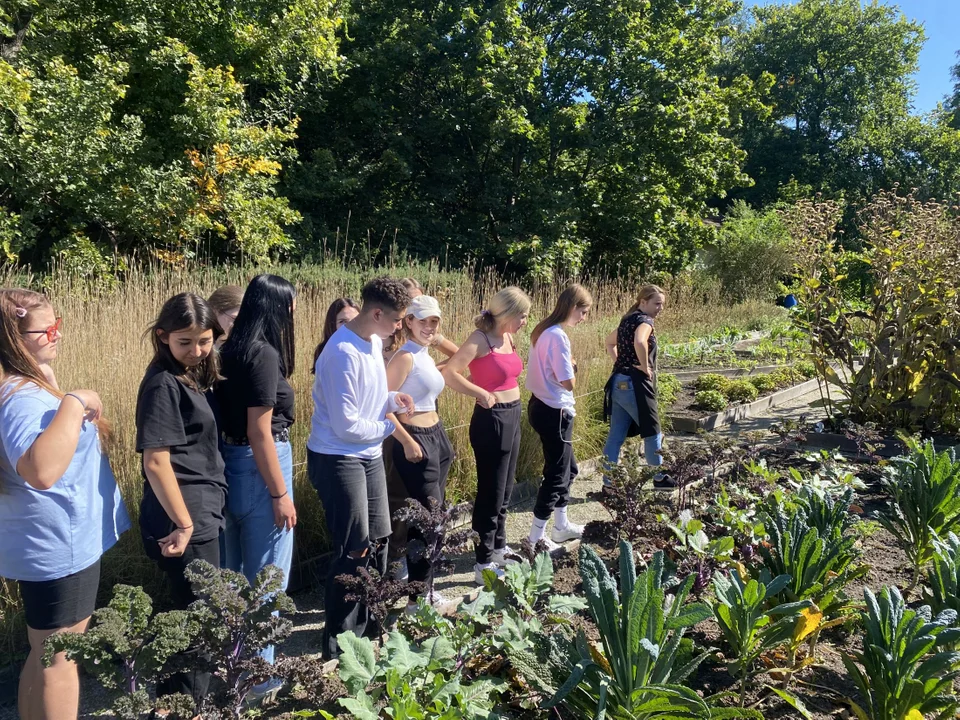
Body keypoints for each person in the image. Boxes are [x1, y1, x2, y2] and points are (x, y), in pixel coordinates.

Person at [0, 289, 130, 720]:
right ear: (13, 338)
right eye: (46, 330)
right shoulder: (21, 398)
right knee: (62, 659)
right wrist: (75, 401)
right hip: (61, 546)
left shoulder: (22, 384)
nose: (58, 334)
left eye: (58, 324)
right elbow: (40, 470)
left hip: (49, 543)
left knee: (42, 653)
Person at [308, 276, 415, 660]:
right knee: (354, 548)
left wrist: (392, 398)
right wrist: (390, 426)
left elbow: (369, 397)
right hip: (338, 457)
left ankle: (369, 626)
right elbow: (347, 425)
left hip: (367, 454)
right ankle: (338, 643)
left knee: (380, 538)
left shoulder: (373, 341)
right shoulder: (340, 354)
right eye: (397, 319)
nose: (400, 326)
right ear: (376, 313)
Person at [135, 293, 226, 705]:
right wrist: (185, 523)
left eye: (204, 340)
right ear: (162, 336)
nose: (197, 350)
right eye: (185, 342)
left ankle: (173, 705)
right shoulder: (162, 384)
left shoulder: (189, 376)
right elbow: (156, 462)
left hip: (197, 507)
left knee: (190, 615)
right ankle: (190, 708)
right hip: (182, 515)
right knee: (201, 619)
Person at [214, 274, 297, 697]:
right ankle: (259, 679)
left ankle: (230, 667)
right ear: (278, 309)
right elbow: (261, 430)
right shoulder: (263, 354)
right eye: (291, 304)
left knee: (231, 574)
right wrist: (280, 493)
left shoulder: (227, 349)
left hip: (228, 461)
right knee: (267, 576)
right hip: (260, 463)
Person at [442, 286, 530, 585]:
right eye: (522, 315)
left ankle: (499, 547)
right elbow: (451, 372)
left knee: (506, 488)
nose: (525, 321)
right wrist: (479, 392)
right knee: (491, 491)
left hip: (513, 413)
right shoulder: (479, 339)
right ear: (506, 313)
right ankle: (482, 561)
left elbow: (502, 373)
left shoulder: (508, 337)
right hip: (492, 420)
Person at [384, 295, 454, 608]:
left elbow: (456, 359)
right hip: (416, 439)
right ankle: (415, 599)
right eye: (422, 320)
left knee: (435, 520)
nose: (428, 326)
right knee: (424, 522)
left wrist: (438, 340)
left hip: (436, 436)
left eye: (434, 321)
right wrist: (406, 441)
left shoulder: (424, 354)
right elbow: (383, 407)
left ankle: (424, 588)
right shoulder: (404, 357)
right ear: (408, 321)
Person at [525, 284, 592, 550]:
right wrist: (574, 367)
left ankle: (561, 526)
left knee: (569, 468)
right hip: (556, 409)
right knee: (556, 474)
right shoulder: (558, 336)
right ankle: (535, 538)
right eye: (583, 312)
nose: (583, 318)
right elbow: (568, 382)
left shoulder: (542, 329)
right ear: (573, 307)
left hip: (539, 404)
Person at [602, 284, 673, 488]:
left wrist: (619, 363)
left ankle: (609, 483)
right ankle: (659, 478)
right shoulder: (644, 320)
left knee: (616, 435)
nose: (660, 308)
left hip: (617, 381)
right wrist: (644, 367)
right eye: (656, 303)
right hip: (635, 384)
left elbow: (609, 342)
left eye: (662, 304)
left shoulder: (627, 320)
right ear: (643, 302)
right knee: (652, 431)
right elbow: (640, 341)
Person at [312, 297, 360, 370]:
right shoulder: (326, 352)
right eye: (343, 321)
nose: (350, 325)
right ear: (332, 324)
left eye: (355, 321)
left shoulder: (369, 348)